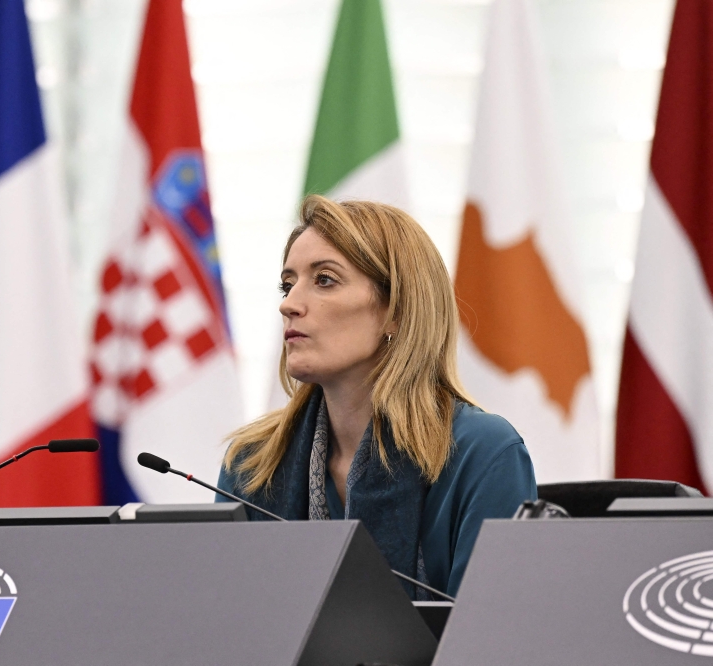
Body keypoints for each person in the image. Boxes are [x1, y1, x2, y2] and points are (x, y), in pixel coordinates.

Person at [216, 195, 536, 598]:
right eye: (287, 283)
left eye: (324, 280)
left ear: (396, 311)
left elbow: (492, 641)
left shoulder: (484, 452)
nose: (289, 304)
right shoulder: (252, 462)